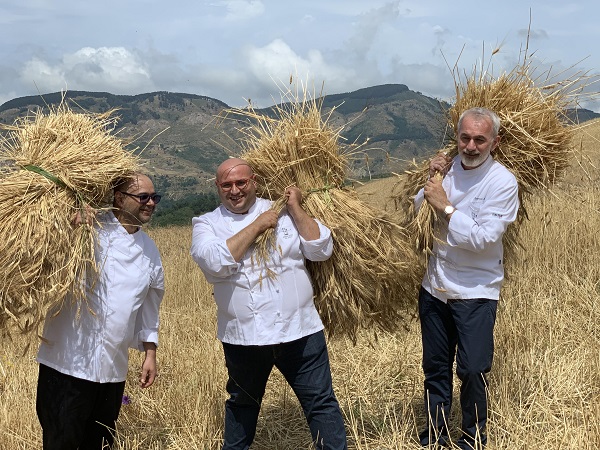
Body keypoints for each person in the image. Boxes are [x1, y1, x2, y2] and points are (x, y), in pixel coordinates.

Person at [190, 158, 348, 450]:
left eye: (241, 182)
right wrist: (258, 225)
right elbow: (215, 264)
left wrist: (295, 208)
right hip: (244, 337)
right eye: (227, 184)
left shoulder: (283, 211)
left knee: (321, 403)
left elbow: (321, 249)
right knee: (242, 405)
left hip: (301, 332)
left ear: (255, 181)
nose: (235, 190)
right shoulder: (207, 224)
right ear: (217, 187)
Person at [414, 107, 519, 449]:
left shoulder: (502, 182)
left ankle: (473, 438)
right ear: (456, 137)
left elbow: (482, 239)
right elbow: (417, 214)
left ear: (495, 142)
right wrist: (431, 180)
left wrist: (445, 206)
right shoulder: (447, 172)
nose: (471, 146)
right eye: (465, 138)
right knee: (435, 367)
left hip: (476, 290)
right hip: (435, 287)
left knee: (473, 368)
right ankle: (436, 436)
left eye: (480, 139)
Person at [36, 173, 165, 450]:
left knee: (101, 442)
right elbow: (44, 256)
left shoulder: (150, 250)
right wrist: (67, 226)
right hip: (67, 364)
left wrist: (150, 352)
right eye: (143, 197)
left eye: (155, 197)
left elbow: (150, 306)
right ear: (119, 199)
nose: (151, 203)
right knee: (61, 442)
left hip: (112, 369)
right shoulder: (88, 228)